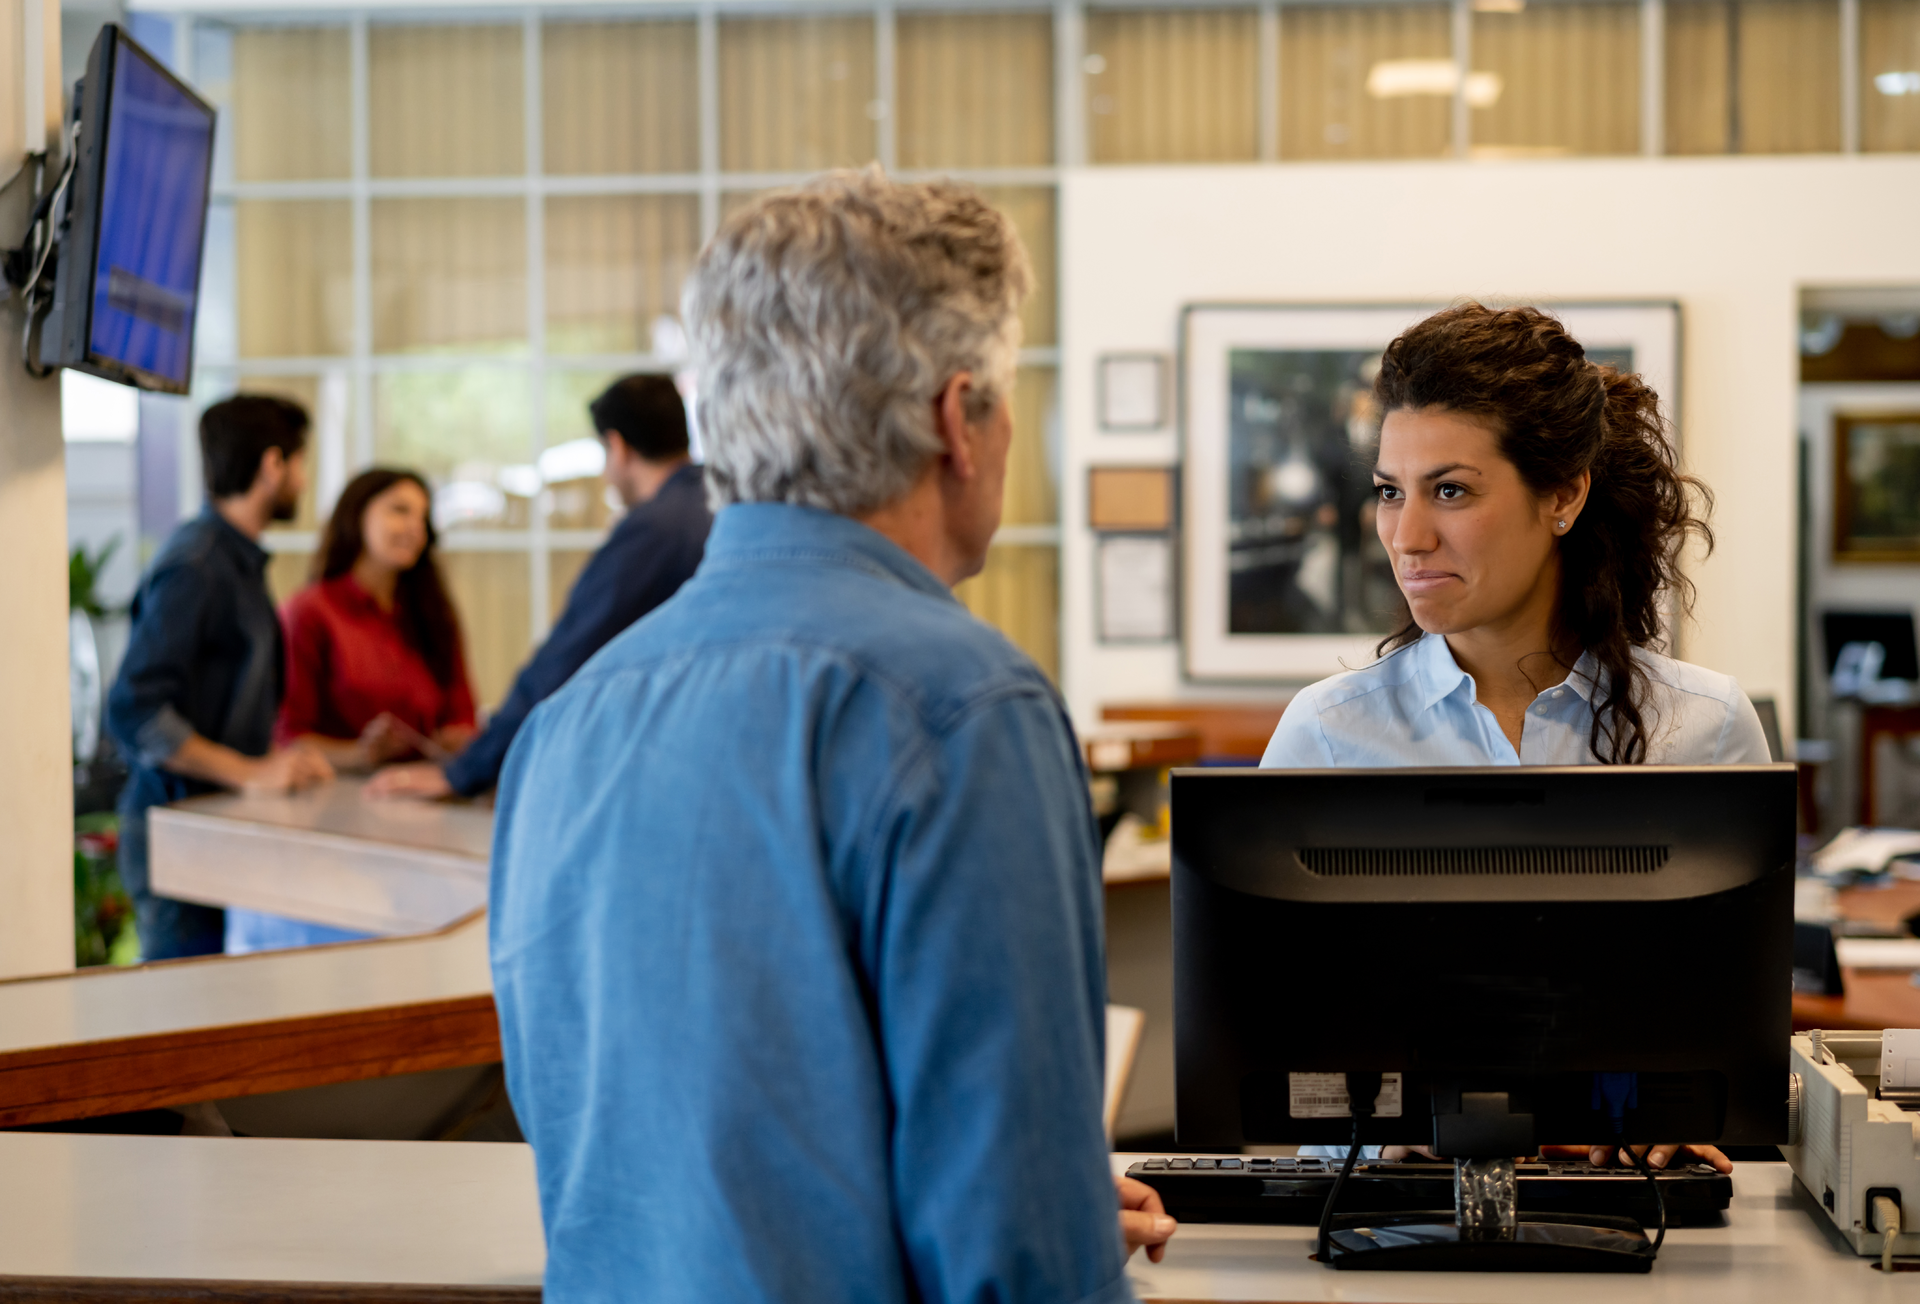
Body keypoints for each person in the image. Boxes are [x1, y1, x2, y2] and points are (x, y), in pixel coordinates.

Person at [488, 170, 1174, 1303]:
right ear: (959, 420)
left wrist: (1041, 1185)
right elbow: (1017, 1266)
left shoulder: (570, 721)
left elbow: (651, 1162)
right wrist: (1041, 1205)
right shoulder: (960, 704)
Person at [1264, 302, 1763, 1172]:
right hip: (1395, 1232)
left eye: (1450, 491)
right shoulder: (1329, 732)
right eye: (1390, 492)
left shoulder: (1705, 726)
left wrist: (1682, 1117)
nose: (1406, 536)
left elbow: (1728, 1044)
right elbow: (1277, 1058)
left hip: (1629, 1225)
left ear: (1563, 493)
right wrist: (1382, 1138)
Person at [366, 375, 710, 801]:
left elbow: (567, 655)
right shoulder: (718, 507)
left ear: (618, 447)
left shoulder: (656, 530)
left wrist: (464, 773)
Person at [107, 395, 335, 961]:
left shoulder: (237, 560)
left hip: (212, 829)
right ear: (272, 465)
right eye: (301, 464)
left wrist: (278, 760)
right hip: (174, 830)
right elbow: (134, 710)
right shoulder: (199, 565)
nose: (305, 482)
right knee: (182, 1022)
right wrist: (250, 772)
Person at [224, 468, 478, 955]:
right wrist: (361, 754)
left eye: (423, 518)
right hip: (338, 839)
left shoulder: (433, 614)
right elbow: (290, 736)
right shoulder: (310, 614)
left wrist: (456, 741)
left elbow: (462, 715)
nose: (413, 528)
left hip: (430, 833)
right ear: (356, 516)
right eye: (399, 510)